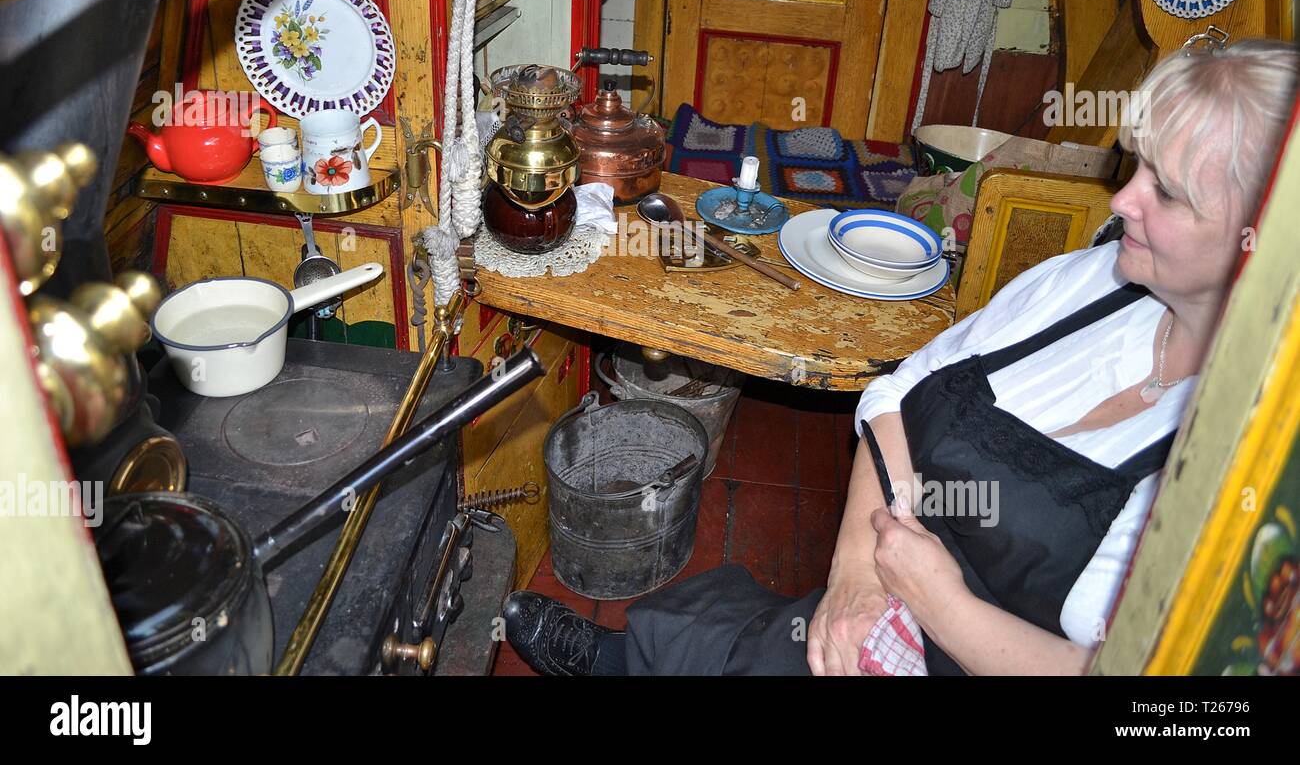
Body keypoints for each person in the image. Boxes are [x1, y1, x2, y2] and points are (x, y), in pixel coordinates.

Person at [503, 39, 1300, 675]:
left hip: (969, 644)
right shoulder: (1089, 283)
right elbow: (899, 387)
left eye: (1168, 192)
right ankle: (625, 660)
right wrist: (855, 570)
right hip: (889, 577)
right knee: (724, 635)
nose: (1122, 199)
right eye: (1141, 167)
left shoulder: (1253, 469)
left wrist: (939, 600)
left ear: (1260, 242)